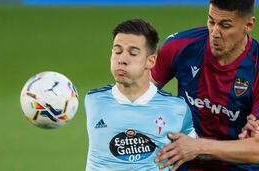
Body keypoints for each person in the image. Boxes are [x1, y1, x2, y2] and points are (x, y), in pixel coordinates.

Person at [152, 0, 259, 170]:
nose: (214, 33)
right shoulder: (180, 47)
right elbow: (139, 96)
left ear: (248, 25)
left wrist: (198, 146)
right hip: (185, 164)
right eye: (211, 21)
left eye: (225, 25)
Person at [84, 19, 197, 171]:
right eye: (117, 51)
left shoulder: (178, 109)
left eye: (133, 53)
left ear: (150, 61)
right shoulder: (93, 101)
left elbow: (194, 150)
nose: (122, 59)